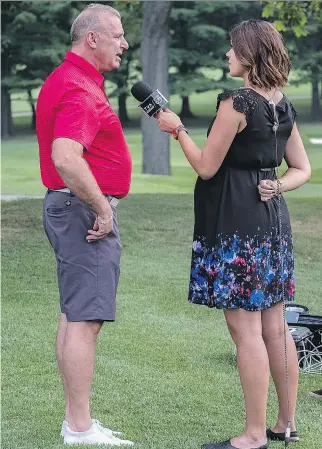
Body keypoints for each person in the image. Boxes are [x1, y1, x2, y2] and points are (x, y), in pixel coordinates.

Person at [157, 19, 311, 449]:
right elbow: (303, 169)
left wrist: (177, 128)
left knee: (247, 333)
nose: (227, 55)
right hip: (273, 226)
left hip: (236, 226)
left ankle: (254, 435)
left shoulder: (237, 103)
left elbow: (207, 166)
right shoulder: (282, 104)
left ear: (248, 54)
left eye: (232, 49)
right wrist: (277, 185)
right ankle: (286, 424)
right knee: (275, 328)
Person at [36, 4, 134, 446]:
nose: (124, 43)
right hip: (82, 213)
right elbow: (65, 157)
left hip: (69, 209)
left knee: (74, 313)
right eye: (117, 35)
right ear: (91, 38)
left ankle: (76, 421)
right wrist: (103, 208)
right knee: (85, 319)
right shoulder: (78, 87)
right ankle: (78, 428)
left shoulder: (71, 79)